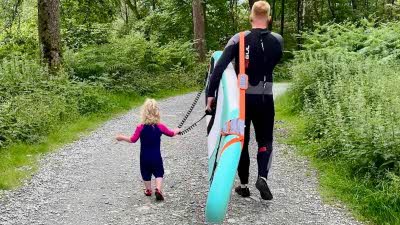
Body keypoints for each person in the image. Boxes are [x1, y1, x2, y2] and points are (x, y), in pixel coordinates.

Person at [206, 1, 283, 200]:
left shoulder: (238, 39)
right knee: (265, 140)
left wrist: (210, 95)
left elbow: (219, 68)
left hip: (243, 100)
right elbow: (274, 60)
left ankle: (244, 184)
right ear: (269, 17)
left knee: (242, 140)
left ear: (251, 16)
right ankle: (263, 177)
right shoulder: (278, 40)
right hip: (266, 99)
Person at [116, 99, 180, 201]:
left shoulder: (140, 127)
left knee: (145, 173)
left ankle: (148, 190)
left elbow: (132, 140)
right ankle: (158, 189)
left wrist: (121, 137)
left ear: (144, 112)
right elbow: (171, 134)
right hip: (156, 156)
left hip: (144, 157)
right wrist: (177, 130)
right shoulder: (160, 126)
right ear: (157, 112)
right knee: (159, 172)